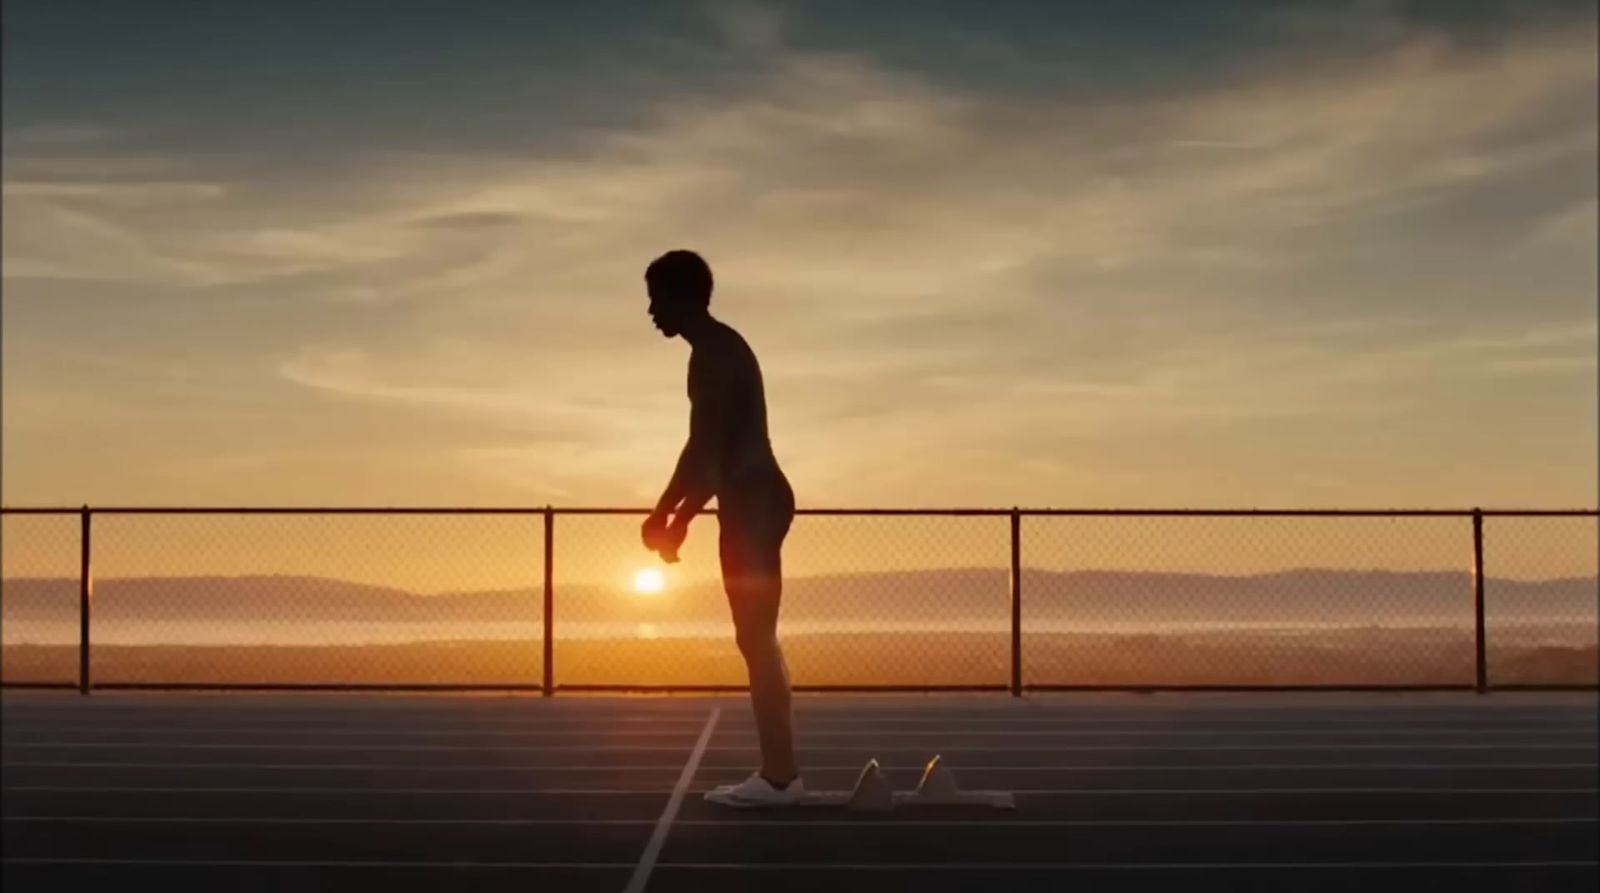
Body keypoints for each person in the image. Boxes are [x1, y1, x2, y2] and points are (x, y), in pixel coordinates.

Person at [640, 249, 802, 807]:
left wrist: (671, 517)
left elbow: (707, 458)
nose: (650, 311)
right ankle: (781, 773)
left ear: (680, 297)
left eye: (656, 298)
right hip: (753, 500)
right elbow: (702, 449)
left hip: (753, 502)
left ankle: (780, 778)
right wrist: (670, 512)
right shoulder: (717, 348)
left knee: (756, 639)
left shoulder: (711, 354)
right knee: (758, 639)